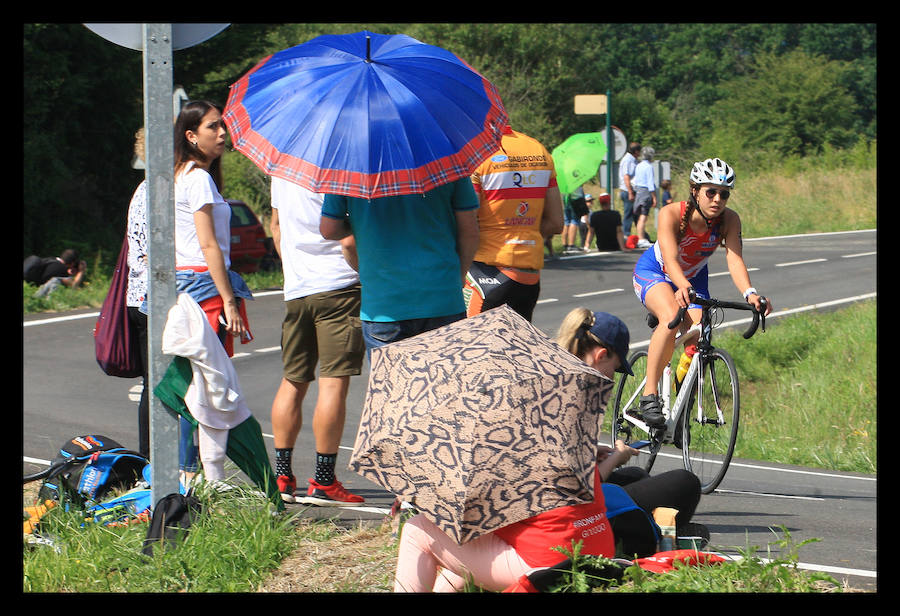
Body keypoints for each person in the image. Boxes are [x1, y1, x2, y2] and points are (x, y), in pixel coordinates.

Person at [392, 309, 701, 593]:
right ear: (601, 354)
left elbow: (477, 506)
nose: (609, 379)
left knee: (419, 530)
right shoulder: (567, 409)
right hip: (595, 550)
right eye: (613, 369)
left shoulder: (505, 427)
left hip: (551, 563)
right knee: (464, 552)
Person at [631, 157, 772, 429]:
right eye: (711, 192)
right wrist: (681, 285)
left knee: (702, 335)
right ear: (695, 191)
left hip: (694, 279)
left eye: (724, 194)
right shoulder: (671, 213)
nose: (717, 199)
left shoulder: (729, 220)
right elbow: (671, 260)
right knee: (670, 316)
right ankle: (649, 395)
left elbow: (735, 259)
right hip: (656, 273)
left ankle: (677, 395)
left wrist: (750, 294)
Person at [167, 100, 255, 482]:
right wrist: (230, 301)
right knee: (207, 386)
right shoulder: (199, 178)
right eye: (212, 127)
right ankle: (195, 477)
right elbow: (209, 245)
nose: (222, 134)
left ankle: (193, 474)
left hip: (185, 284)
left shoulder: (179, 174)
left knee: (196, 383)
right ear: (191, 135)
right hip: (205, 287)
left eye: (223, 127)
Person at [269, 176, 366, 506]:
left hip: (297, 287)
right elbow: (348, 238)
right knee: (333, 384)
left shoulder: (281, 167)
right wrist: (364, 272)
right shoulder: (339, 169)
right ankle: (323, 480)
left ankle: (282, 477)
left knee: (293, 379)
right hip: (339, 283)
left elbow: (276, 226)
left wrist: (294, 270)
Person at [319, 178, 479, 356]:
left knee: (392, 383)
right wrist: (460, 276)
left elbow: (329, 230)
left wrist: (360, 224)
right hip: (442, 297)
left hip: (383, 306)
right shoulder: (448, 164)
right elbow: (470, 231)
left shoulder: (349, 171)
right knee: (446, 381)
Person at [463, 125, 563, 322]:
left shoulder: (476, 154)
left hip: (486, 272)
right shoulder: (538, 149)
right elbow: (556, 222)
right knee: (517, 351)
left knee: (470, 349)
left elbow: (467, 224)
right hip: (529, 278)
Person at [632, 146, 657, 247]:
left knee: (639, 216)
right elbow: (650, 183)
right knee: (643, 215)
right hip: (646, 192)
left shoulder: (638, 165)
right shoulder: (649, 166)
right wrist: (654, 197)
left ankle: (640, 237)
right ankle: (642, 239)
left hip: (638, 191)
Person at [618, 142, 641, 236]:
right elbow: (626, 176)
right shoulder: (628, 160)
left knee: (636, 214)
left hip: (631, 190)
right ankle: (626, 235)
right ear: (635, 151)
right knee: (628, 214)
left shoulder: (633, 160)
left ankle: (642, 236)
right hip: (628, 191)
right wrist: (630, 192)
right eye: (639, 151)